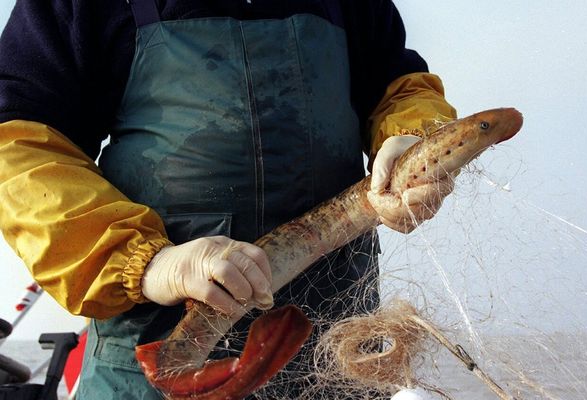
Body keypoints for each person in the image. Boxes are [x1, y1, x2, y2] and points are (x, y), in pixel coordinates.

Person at [0, 0, 456, 398]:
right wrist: (147, 263)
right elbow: (16, 144)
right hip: (155, 364)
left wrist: (411, 140)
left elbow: (401, 88)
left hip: (338, 351)